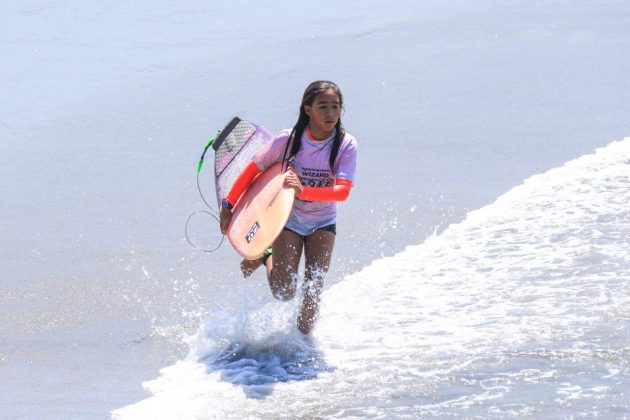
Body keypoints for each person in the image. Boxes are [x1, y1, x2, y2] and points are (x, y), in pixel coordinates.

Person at [219, 80, 358, 334]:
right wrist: (228, 204)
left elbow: (343, 191)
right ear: (308, 110)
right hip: (288, 219)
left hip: (323, 221)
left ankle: (304, 350)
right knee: (284, 292)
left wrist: (304, 190)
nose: (330, 113)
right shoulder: (289, 141)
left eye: (336, 107)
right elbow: (254, 170)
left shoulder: (345, 144)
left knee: (313, 289)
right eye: (323, 106)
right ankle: (265, 256)